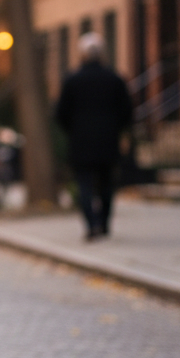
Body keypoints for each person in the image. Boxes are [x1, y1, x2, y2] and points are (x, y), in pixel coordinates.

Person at [55, 31, 133, 239]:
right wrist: (119, 130)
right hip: (108, 140)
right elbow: (127, 111)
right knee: (107, 184)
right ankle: (104, 223)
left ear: (81, 55)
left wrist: (72, 130)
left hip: (80, 142)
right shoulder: (115, 79)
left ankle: (91, 224)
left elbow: (61, 113)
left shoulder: (72, 81)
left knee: (84, 185)